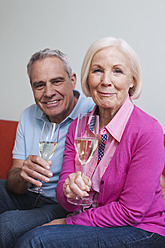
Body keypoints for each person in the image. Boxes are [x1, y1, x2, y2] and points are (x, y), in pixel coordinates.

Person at [14, 37, 165, 248]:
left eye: (117, 71)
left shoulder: (148, 130)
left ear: (132, 80)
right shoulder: (77, 127)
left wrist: (69, 222)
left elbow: (131, 212)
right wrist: (69, 192)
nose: (106, 81)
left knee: (36, 240)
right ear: (87, 78)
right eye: (97, 70)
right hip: (93, 223)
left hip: (142, 230)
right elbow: (64, 199)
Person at [0, 48, 94, 248]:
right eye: (39, 85)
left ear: (73, 80)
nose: (49, 92)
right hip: (27, 194)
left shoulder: (92, 114)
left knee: (7, 224)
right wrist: (23, 173)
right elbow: (13, 184)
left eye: (57, 81)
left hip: (60, 204)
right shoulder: (28, 115)